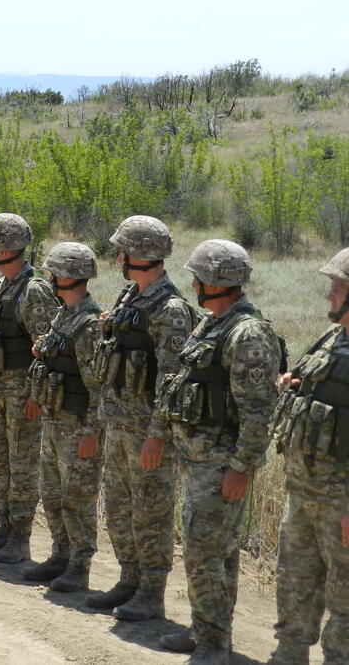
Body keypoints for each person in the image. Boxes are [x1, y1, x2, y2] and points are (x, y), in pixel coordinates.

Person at [154, 239, 282, 664]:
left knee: (206, 552)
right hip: (201, 458)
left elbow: (259, 411)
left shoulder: (246, 333)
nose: (191, 282)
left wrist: (242, 467)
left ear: (216, 281)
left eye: (198, 276)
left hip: (222, 462)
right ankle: (208, 630)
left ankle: (212, 642)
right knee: (211, 551)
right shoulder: (212, 322)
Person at [87, 215, 196, 621]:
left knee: (150, 513)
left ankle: (152, 592)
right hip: (119, 424)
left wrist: (157, 436)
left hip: (147, 431)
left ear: (139, 254)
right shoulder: (129, 298)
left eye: (123, 250)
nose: (118, 257)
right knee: (118, 507)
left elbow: (172, 381)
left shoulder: (169, 310)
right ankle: (129, 580)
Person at [266, 247, 349, 665]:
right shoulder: (333, 338)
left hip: (342, 504)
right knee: (295, 580)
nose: (329, 294)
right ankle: (289, 655)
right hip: (304, 492)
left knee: (346, 603)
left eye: (338, 286)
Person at [0, 213, 60, 562]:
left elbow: (47, 345)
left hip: (23, 396)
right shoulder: (4, 286)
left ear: (3, 249)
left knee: (21, 466)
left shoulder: (33, 288)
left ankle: (20, 539)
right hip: (0, 390)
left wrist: (38, 396)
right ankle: (3, 528)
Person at [24, 242, 103, 592]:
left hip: (76, 424)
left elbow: (98, 386)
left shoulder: (88, 323)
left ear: (67, 277)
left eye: (53, 273)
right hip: (55, 420)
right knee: (52, 493)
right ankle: (60, 554)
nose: (49, 278)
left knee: (77, 498)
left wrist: (91, 432)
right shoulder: (63, 315)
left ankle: (79, 564)